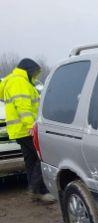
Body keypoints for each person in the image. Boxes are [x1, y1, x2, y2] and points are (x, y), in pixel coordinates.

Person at [0, 58, 54, 203]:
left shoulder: (13, 80)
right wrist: (31, 125)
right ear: (28, 70)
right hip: (26, 129)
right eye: (34, 72)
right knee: (41, 158)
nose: (35, 75)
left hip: (19, 129)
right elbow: (23, 106)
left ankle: (34, 191)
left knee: (30, 160)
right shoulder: (19, 82)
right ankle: (38, 190)